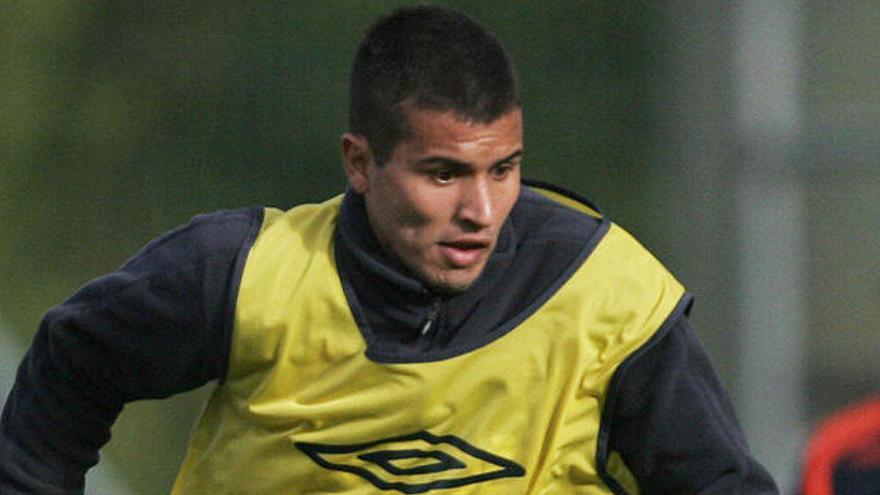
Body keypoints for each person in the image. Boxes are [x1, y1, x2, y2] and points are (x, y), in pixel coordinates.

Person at [0, 5, 778, 494]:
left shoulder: (609, 297)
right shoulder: (240, 276)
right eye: (444, 173)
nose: (481, 210)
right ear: (360, 163)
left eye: (503, 169)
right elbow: (69, 369)